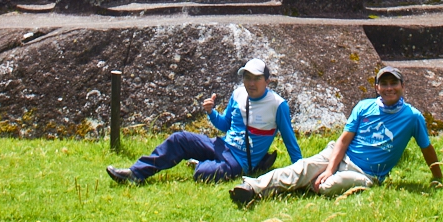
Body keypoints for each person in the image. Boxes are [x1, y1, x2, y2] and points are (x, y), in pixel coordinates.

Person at [229, 66, 443, 204]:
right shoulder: (364, 107)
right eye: (384, 84)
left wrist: (437, 177)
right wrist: (330, 167)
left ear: (402, 86)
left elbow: (427, 148)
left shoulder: (413, 117)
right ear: (377, 87)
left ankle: (306, 184)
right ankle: (251, 188)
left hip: (367, 174)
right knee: (301, 168)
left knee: (327, 185)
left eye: (394, 83)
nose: (389, 89)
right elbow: (344, 139)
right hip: (339, 155)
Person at [106, 58, 303, 184]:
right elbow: (225, 125)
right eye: (247, 77)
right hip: (222, 145)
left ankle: (245, 164)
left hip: (239, 160)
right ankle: (135, 173)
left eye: (257, 79)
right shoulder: (238, 93)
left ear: (267, 81)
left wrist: (301, 173)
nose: (251, 83)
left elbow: (290, 142)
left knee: (203, 174)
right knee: (179, 139)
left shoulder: (278, 105)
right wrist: (211, 113)